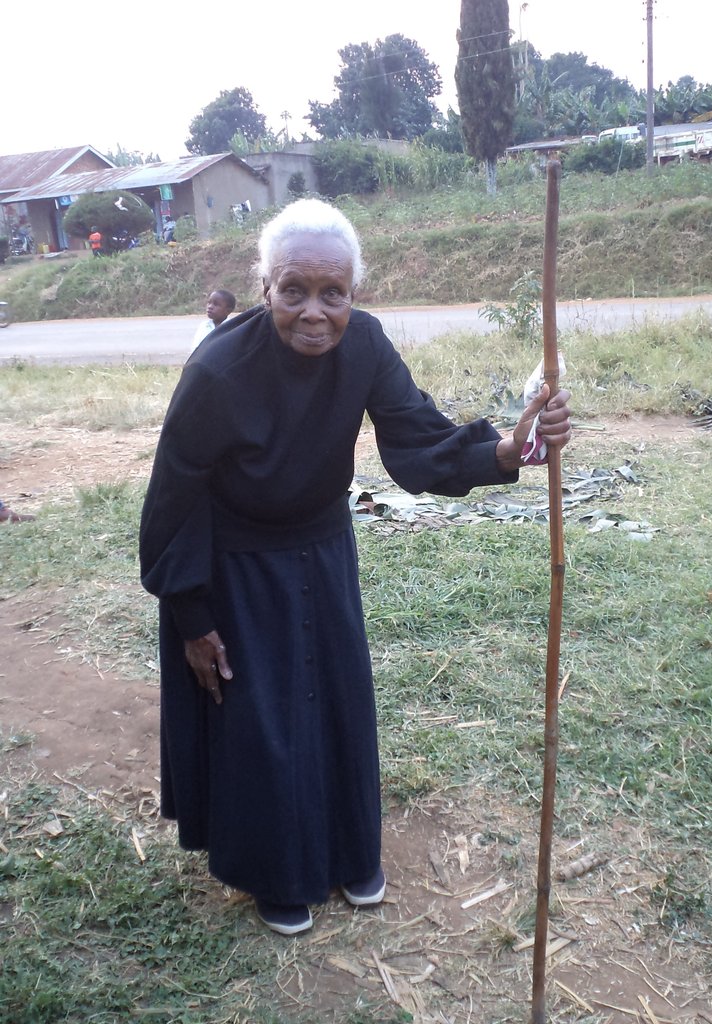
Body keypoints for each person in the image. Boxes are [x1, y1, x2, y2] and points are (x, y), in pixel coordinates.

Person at [139, 198, 573, 937]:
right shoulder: (216, 370)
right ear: (266, 287)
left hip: (323, 548)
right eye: (294, 291)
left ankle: (347, 852)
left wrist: (507, 451)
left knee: (336, 703)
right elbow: (175, 500)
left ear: (354, 294)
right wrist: (193, 616)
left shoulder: (365, 344)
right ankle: (277, 873)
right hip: (236, 564)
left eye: (332, 293)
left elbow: (416, 439)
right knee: (263, 718)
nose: (315, 312)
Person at [189, 289, 237, 355]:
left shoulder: (233, 329)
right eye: (209, 303)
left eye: (216, 304)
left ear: (228, 311)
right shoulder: (204, 326)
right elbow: (195, 350)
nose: (210, 307)